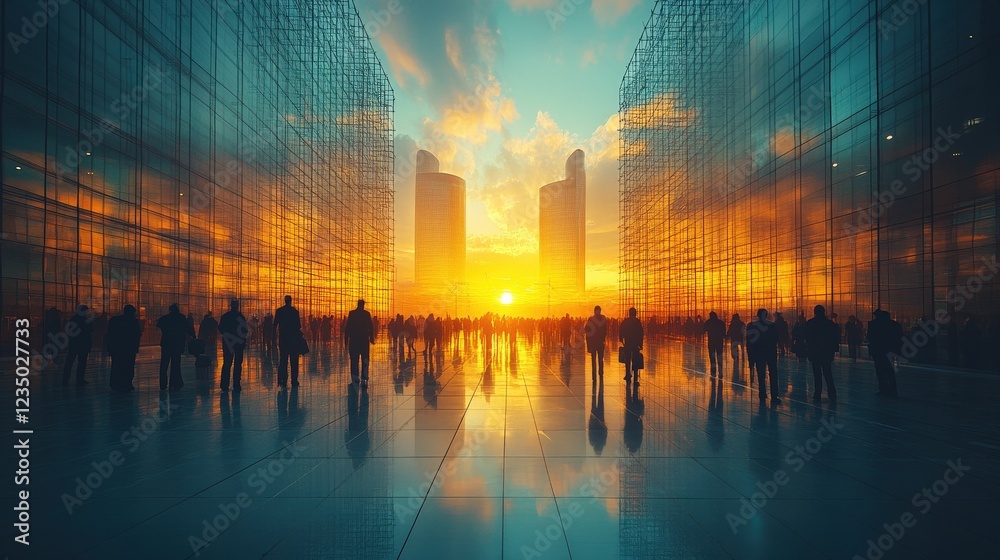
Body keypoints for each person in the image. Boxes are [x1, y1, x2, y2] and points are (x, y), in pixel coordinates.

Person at [804, 305, 839, 402]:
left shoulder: (810, 323)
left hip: (815, 353)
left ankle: (817, 393)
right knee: (828, 373)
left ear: (815, 312)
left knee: (817, 374)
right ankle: (832, 393)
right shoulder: (830, 324)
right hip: (827, 352)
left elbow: (807, 338)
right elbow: (836, 337)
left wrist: (809, 350)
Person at [156, 304, 194, 390]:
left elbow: (158, 327)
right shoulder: (181, 318)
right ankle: (174, 383)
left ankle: (163, 384)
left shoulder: (164, 318)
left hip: (166, 343)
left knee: (164, 364)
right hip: (177, 344)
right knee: (175, 364)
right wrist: (193, 335)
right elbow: (187, 328)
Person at [747, 308, 779, 405]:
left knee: (761, 374)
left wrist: (750, 356)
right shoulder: (772, 325)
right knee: (773, 374)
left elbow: (750, 342)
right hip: (770, 353)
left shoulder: (751, 326)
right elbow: (776, 339)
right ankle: (774, 395)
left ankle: (762, 393)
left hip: (758, 354)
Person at [107, 305, 142, 391]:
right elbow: (137, 335)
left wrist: (109, 347)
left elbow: (110, 334)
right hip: (129, 348)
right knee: (128, 366)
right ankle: (127, 383)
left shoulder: (114, 320)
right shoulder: (133, 322)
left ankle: (115, 383)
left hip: (117, 348)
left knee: (116, 366)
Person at [867, 310, 901, 396]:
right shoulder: (895, 325)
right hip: (891, 351)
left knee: (880, 371)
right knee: (890, 371)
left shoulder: (874, 325)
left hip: (878, 351)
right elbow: (899, 338)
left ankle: (883, 389)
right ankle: (893, 390)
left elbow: (870, 337)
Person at [344, 299, 375, 388]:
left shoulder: (352, 314)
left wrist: (346, 340)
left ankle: (355, 378)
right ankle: (364, 378)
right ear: (363, 305)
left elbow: (348, 327)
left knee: (354, 360)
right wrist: (371, 338)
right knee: (365, 360)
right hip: (364, 341)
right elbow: (371, 327)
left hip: (354, 341)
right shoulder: (366, 314)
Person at [273, 295, 303, 388]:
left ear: (284, 301)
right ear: (291, 301)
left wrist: (274, 338)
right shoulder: (295, 312)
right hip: (293, 340)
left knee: (283, 361)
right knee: (294, 362)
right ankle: (294, 381)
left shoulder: (279, 311)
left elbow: (275, 325)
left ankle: (283, 380)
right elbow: (299, 326)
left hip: (283, 340)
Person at [219, 299, 248, 392]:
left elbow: (220, 328)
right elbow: (245, 331)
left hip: (228, 343)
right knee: (237, 364)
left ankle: (224, 385)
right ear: (238, 306)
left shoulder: (225, 316)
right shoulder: (240, 317)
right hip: (238, 343)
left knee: (227, 363)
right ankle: (236, 384)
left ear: (231, 305)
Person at [63, 305, 93, 386]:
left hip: (74, 344)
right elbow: (90, 331)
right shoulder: (86, 321)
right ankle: (80, 379)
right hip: (83, 344)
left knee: (70, 361)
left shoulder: (73, 320)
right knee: (82, 362)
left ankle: (65, 379)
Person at [619, 307, 644, 382]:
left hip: (628, 343)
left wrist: (622, 340)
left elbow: (621, 331)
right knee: (635, 360)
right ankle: (635, 377)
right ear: (635, 313)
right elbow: (641, 333)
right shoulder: (637, 322)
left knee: (628, 359)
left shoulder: (625, 321)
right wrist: (640, 344)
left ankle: (628, 374)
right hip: (635, 344)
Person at [585, 306, 608, 381]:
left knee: (594, 359)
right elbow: (605, 330)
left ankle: (595, 374)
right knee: (600, 358)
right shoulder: (603, 319)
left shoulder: (591, 319)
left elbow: (587, 330)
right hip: (599, 342)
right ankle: (600, 372)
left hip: (594, 342)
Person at [704, 311, 726, 378]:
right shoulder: (721, 323)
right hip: (719, 343)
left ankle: (713, 372)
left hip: (711, 343)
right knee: (719, 357)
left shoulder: (708, 322)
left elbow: (703, 330)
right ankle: (720, 372)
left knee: (712, 358)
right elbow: (724, 333)